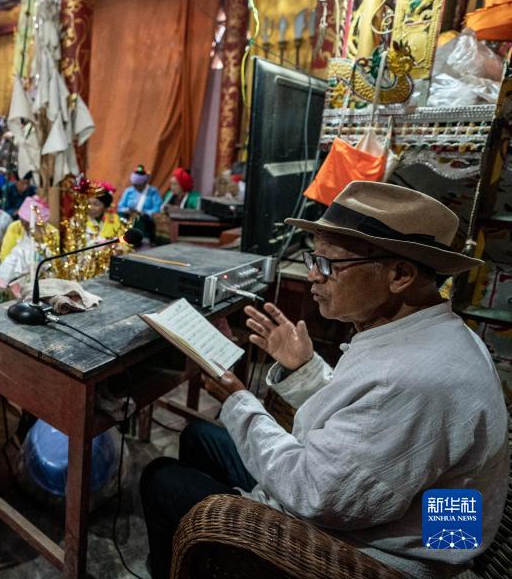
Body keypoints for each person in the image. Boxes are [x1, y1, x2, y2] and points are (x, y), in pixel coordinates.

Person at [140, 181, 509, 579]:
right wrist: (304, 369)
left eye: (330, 264)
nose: (313, 276)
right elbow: (363, 420)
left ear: (400, 274)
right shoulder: (433, 334)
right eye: (313, 258)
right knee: (199, 436)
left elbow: (315, 494)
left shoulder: (419, 378)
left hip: (383, 552)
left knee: (161, 479)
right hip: (378, 509)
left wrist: (236, 398)